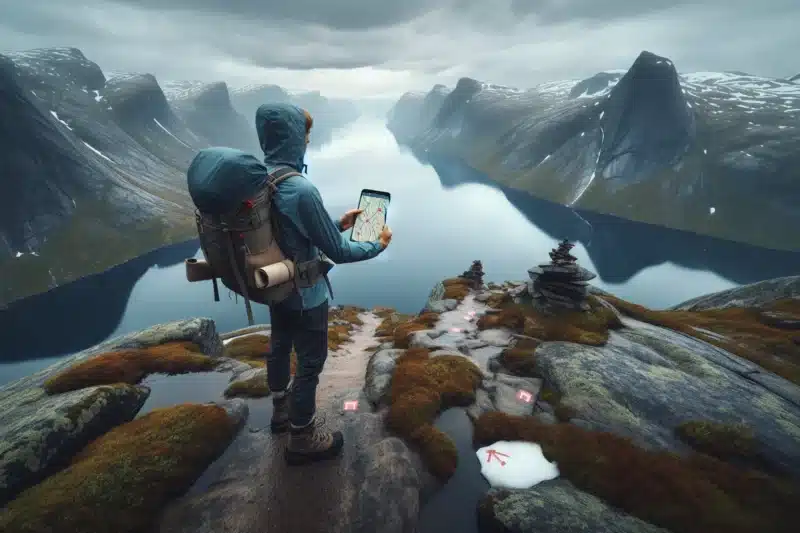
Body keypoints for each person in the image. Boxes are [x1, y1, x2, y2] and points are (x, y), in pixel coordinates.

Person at [255, 102, 393, 465]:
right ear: (293, 138)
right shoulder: (300, 188)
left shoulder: (260, 180)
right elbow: (338, 252)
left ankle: (280, 413)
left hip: (275, 284)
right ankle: (302, 437)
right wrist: (375, 245)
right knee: (311, 363)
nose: (308, 140)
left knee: (280, 346)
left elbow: (288, 230)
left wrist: (337, 222)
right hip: (306, 293)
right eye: (305, 134)